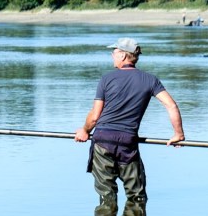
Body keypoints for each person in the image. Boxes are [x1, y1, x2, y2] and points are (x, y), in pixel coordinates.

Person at [75, 37, 184, 203]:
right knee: (137, 197)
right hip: (128, 142)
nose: (112, 55)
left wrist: (84, 131)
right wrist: (178, 134)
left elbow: (95, 116)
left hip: (103, 140)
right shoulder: (150, 80)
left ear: (124, 56)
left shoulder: (107, 79)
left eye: (114, 52)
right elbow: (172, 106)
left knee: (107, 197)